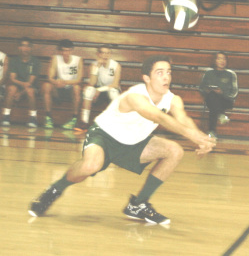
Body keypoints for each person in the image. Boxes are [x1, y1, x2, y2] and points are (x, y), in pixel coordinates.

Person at [28, 55, 215, 225]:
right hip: (104, 136)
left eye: (168, 72)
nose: (166, 77)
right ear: (147, 78)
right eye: (160, 73)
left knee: (175, 151)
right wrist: (192, 136)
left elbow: (184, 120)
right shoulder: (135, 96)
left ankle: (138, 204)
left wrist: (202, 138)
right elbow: (160, 118)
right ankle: (54, 190)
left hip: (134, 143)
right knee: (90, 166)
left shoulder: (173, 99)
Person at [76, 45, 121, 131]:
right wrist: (96, 68)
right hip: (99, 92)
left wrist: (99, 90)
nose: (105, 55)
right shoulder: (94, 65)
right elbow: (92, 83)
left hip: (110, 90)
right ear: (98, 54)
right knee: (88, 90)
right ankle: (84, 122)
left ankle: (115, 124)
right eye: (103, 53)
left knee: (113, 92)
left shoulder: (116, 65)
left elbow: (115, 84)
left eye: (108, 53)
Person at [42, 39, 83, 129]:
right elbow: (50, 77)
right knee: (46, 86)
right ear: (60, 50)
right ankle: (48, 117)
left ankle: (74, 119)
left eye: (68, 50)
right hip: (58, 88)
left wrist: (65, 82)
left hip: (71, 88)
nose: (65, 53)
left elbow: (79, 79)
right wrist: (56, 82)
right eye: (63, 50)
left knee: (77, 88)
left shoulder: (78, 60)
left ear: (72, 50)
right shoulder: (55, 58)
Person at [1, 37, 40, 128]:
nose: (25, 48)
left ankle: (33, 118)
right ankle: (6, 116)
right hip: (17, 85)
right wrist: (21, 87)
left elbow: (30, 83)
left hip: (31, 87)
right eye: (23, 46)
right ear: (19, 47)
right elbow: (13, 78)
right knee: (11, 88)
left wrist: (21, 93)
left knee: (30, 91)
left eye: (28, 46)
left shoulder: (35, 61)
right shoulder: (14, 60)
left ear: (31, 48)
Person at [199, 52, 238, 138]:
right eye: (219, 58)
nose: (222, 61)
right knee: (213, 96)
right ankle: (221, 114)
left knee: (213, 106)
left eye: (224, 59)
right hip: (211, 99)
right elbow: (201, 88)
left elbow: (234, 92)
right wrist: (207, 90)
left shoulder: (231, 74)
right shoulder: (208, 73)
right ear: (215, 61)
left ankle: (212, 131)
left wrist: (222, 93)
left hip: (226, 100)